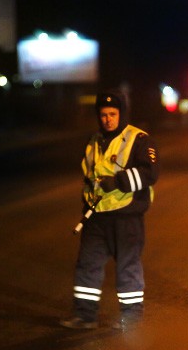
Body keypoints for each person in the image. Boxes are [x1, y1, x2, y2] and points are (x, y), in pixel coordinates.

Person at [60, 90, 159, 331]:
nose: (108, 119)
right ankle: (85, 315)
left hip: (127, 216)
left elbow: (150, 174)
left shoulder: (139, 139)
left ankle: (132, 320)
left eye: (113, 114)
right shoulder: (94, 141)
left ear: (122, 114)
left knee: (127, 268)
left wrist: (118, 181)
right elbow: (89, 177)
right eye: (103, 115)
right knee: (87, 265)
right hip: (96, 216)